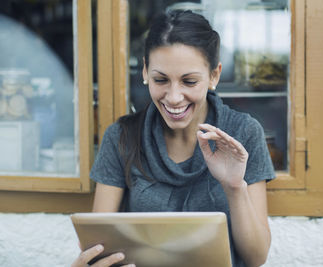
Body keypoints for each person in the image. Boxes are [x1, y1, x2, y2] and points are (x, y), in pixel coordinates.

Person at [72, 10, 275, 267]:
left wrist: (235, 187)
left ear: (214, 75)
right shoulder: (122, 137)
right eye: (161, 80)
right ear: (145, 71)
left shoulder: (243, 133)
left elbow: (256, 258)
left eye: (189, 81)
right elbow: (99, 245)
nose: (174, 97)